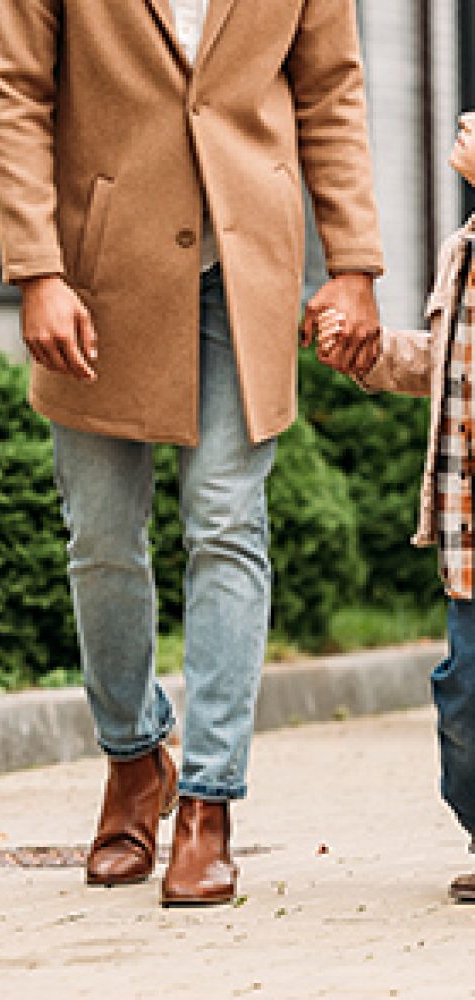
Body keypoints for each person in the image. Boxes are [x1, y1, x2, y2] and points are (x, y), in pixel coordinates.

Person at [0, 0, 384, 906]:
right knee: (102, 540)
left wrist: (352, 261)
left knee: (227, 522)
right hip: (98, 271)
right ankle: (133, 759)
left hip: (246, 267)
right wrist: (36, 271)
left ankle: (208, 803)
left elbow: (330, 92)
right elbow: (13, 94)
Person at [314, 111, 475, 906]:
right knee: (465, 693)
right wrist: (372, 354)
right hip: (467, 529)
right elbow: (448, 364)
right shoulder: (464, 249)